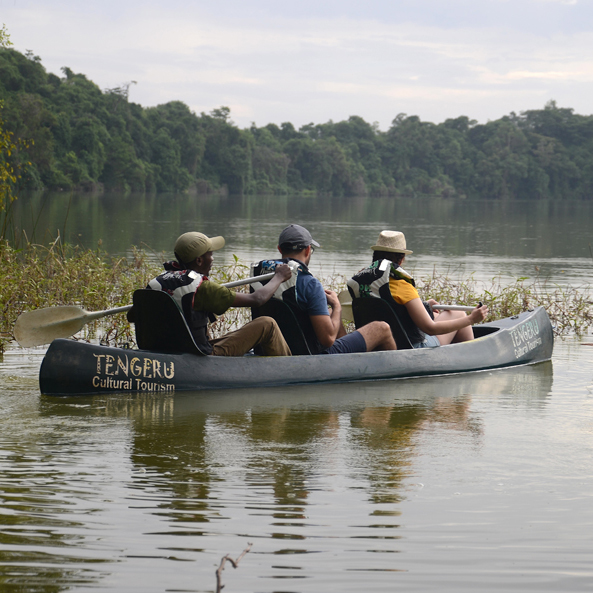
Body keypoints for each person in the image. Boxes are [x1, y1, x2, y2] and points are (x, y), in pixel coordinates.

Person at [138, 231, 292, 357]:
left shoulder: (156, 283)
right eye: (210, 254)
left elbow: (133, 316)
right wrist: (279, 276)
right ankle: (289, 370)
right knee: (267, 324)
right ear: (199, 260)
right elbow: (257, 299)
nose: (212, 259)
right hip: (198, 355)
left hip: (172, 349)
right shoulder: (202, 288)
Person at [252, 224, 396, 354]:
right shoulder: (310, 283)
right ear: (308, 250)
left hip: (280, 348)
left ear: (280, 249)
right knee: (381, 328)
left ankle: (350, 359)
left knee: (329, 313)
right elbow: (327, 340)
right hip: (311, 355)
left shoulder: (262, 278)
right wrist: (337, 305)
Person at [348, 230, 488, 348]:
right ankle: (470, 357)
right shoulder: (402, 285)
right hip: (412, 347)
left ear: (375, 257)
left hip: (379, 345)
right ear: (401, 260)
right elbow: (430, 329)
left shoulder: (364, 284)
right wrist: (471, 319)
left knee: (438, 315)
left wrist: (424, 305)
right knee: (458, 314)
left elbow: (392, 309)